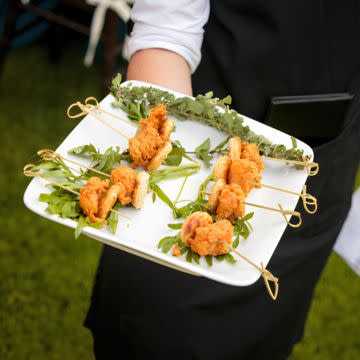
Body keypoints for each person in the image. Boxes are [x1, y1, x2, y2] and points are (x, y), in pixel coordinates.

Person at [84, 1, 360, 359]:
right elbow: (166, 28)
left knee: (264, 337)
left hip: (323, 164)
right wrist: (165, 157)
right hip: (196, 144)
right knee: (156, 332)